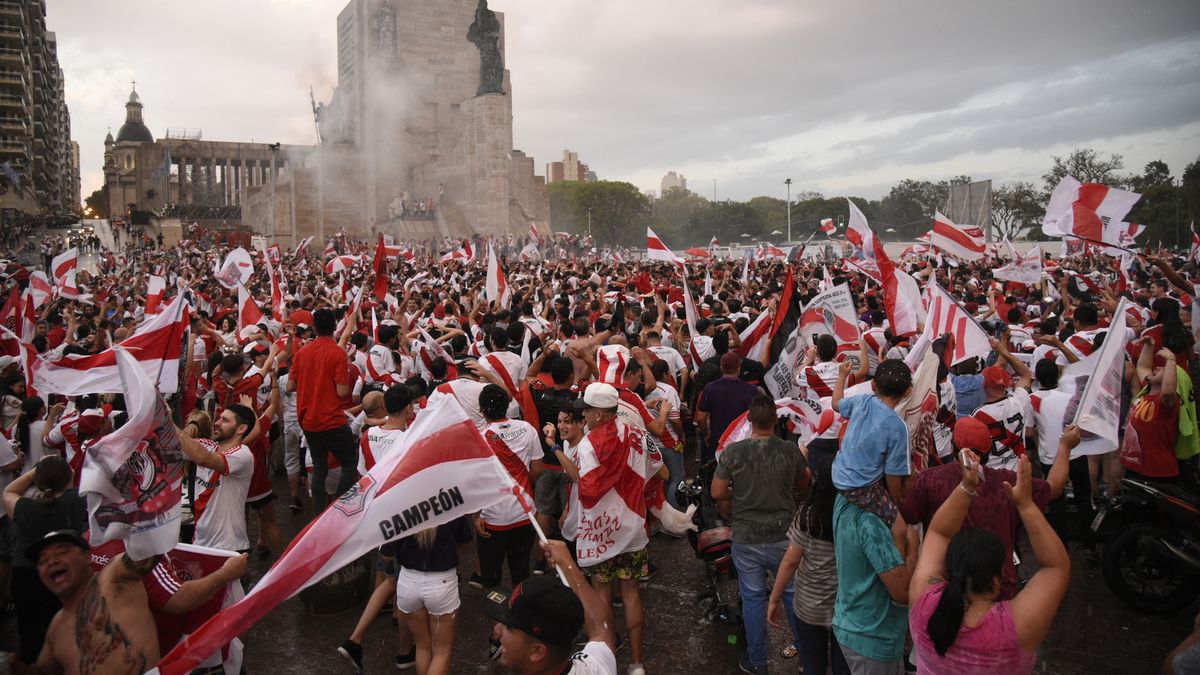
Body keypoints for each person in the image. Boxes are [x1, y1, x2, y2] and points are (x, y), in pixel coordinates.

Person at [908, 454, 1071, 674]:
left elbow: (939, 533)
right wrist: (1025, 504)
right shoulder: (1016, 629)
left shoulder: (923, 603)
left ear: (949, 569)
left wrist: (967, 487)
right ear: (996, 582)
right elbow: (1056, 567)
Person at [901, 417, 1074, 601]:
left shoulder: (930, 480)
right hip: (997, 589)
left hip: (947, 594)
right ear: (988, 452)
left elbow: (905, 516)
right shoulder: (1007, 483)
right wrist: (1065, 447)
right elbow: (1054, 487)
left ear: (953, 447)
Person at [711, 394, 806, 674]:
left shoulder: (733, 452)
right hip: (783, 536)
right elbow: (804, 482)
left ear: (749, 420)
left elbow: (717, 492)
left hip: (746, 536)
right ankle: (806, 656)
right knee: (791, 595)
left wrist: (735, 492)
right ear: (776, 420)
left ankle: (757, 661)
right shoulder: (789, 451)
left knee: (752, 600)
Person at [9, 529, 162, 674]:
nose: (52, 561)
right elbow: (42, 673)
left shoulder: (114, 579)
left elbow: (150, 546)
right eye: (43, 560)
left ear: (88, 556)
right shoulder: (57, 627)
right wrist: (13, 666)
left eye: (62, 551)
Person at [767, 456, 849, 675]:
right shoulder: (853, 516)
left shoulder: (808, 513)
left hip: (809, 606)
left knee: (813, 664)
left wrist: (774, 598)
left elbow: (791, 560)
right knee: (844, 666)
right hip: (845, 607)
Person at [487, 539, 616, 675]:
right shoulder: (595, 669)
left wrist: (567, 563)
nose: (497, 629)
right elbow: (601, 629)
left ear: (537, 652)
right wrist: (567, 562)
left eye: (509, 627)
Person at [3, 455, 87, 663]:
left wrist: (37, 470)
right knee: (70, 628)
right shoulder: (78, 500)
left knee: (29, 633)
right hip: (67, 575)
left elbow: (9, 491)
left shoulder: (23, 508)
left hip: (25, 575)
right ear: (70, 477)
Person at [471, 384, 542, 590]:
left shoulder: (480, 438)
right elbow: (538, 469)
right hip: (524, 511)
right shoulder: (527, 429)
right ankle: (521, 616)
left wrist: (476, 516)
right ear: (508, 404)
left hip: (492, 517)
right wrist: (520, 485)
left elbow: (477, 483)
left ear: (481, 410)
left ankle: (497, 619)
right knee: (521, 571)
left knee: (491, 577)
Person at [288, 307, 359, 512]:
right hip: (332, 419)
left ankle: (319, 513)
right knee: (349, 462)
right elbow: (343, 391)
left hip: (309, 420)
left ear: (314, 328)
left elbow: (290, 386)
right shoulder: (337, 353)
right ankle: (337, 506)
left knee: (319, 467)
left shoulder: (302, 353)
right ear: (334, 326)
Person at [385, 518, 473, 675]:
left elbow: (386, 555)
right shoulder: (450, 502)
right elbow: (466, 541)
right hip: (441, 582)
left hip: (409, 583)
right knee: (442, 652)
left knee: (422, 646)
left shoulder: (400, 507)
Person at [830, 358, 912, 523]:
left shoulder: (862, 401)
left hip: (838, 474)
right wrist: (896, 501)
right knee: (902, 531)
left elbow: (836, 403)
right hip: (860, 488)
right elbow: (893, 474)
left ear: (873, 385)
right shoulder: (898, 427)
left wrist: (842, 375)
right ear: (908, 392)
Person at [176, 404, 257, 552]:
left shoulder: (243, 455)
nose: (217, 422)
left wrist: (169, 422)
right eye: (219, 418)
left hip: (229, 546)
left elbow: (203, 458)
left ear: (241, 429)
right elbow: (172, 445)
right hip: (200, 542)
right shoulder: (209, 446)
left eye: (225, 420)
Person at [970, 338, 1033, 471]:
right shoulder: (1019, 400)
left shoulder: (979, 414)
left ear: (984, 384)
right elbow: (1026, 374)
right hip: (1019, 472)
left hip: (993, 475)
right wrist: (1002, 350)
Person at [695, 351, 761, 465]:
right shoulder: (751, 390)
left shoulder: (710, 388)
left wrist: (706, 434)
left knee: (720, 474)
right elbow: (760, 418)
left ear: (721, 368)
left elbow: (700, 418)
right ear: (739, 368)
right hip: (744, 443)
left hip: (718, 441)